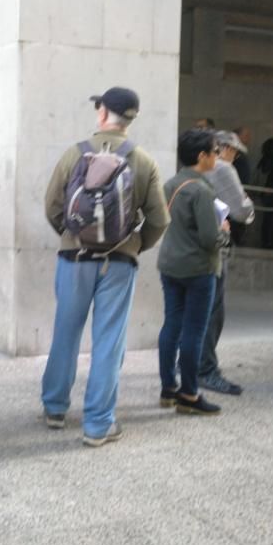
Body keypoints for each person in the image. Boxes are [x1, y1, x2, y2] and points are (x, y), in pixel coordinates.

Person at [41, 87, 169, 447]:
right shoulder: (142, 160)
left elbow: (52, 206)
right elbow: (160, 218)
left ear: (101, 114)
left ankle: (54, 408)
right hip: (119, 261)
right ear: (131, 119)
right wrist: (135, 245)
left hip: (74, 259)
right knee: (109, 341)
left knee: (65, 332)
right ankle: (98, 425)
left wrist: (71, 236)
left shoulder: (75, 154)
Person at [158, 128, 231, 417]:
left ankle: (168, 389)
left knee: (172, 325)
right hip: (198, 268)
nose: (218, 157)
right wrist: (224, 232)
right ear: (202, 156)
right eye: (215, 152)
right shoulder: (201, 190)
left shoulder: (171, 183)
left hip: (170, 264)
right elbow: (209, 239)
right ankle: (189, 393)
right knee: (194, 331)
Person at [199, 131, 256, 396]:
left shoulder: (191, 169)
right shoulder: (223, 169)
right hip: (214, 248)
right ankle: (206, 369)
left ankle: (185, 364)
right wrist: (250, 207)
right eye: (234, 151)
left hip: (188, 249)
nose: (235, 156)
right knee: (212, 312)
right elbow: (242, 210)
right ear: (223, 148)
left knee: (190, 313)